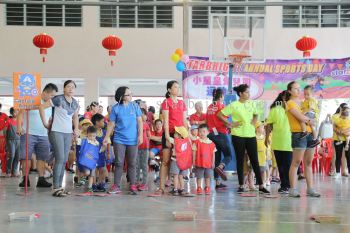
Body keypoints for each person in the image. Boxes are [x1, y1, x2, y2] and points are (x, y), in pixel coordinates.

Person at [218, 84, 269, 194]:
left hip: (251, 135)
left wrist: (253, 123)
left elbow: (256, 115)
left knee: (255, 160)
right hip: (238, 136)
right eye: (246, 92)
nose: (249, 94)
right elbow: (220, 115)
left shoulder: (251, 103)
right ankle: (241, 185)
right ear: (240, 94)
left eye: (249, 92)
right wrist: (230, 124)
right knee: (240, 160)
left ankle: (261, 185)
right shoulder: (234, 105)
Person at [39, 80, 80, 197]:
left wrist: (76, 128)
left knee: (64, 160)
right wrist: (45, 123)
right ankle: (55, 187)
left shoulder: (75, 103)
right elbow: (42, 107)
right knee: (60, 158)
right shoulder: (58, 99)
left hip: (68, 133)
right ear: (64, 89)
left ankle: (59, 187)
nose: (71, 89)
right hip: (56, 131)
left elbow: (75, 116)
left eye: (73, 87)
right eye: (68, 87)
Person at [17, 83, 58, 188]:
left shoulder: (50, 104)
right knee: (26, 157)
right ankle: (25, 179)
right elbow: (20, 114)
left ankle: (41, 179)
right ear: (45, 92)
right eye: (51, 96)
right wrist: (19, 127)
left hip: (44, 135)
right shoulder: (32, 100)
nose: (52, 98)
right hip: (28, 133)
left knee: (42, 158)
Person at [103, 86, 143, 195]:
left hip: (133, 139)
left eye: (131, 94)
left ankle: (133, 185)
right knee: (119, 162)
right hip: (119, 139)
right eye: (128, 94)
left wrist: (141, 135)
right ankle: (116, 185)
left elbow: (140, 122)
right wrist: (106, 137)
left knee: (132, 163)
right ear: (122, 96)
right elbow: (111, 124)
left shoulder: (135, 106)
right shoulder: (116, 108)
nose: (131, 96)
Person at [285, 81, 320, 198]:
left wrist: (313, 118)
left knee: (308, 162)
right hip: (298, 134)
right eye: (295, 89)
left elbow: (313, 114)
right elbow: (301, 117)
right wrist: (311, 120)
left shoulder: (304, 102)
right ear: (289, 91)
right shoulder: (290, 103)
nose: (298, 91)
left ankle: (310, 188)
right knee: (296, 162)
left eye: (299, 88)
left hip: (310, 133)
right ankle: (293, 189)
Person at [155, 81, 187, 195]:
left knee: (179, 162)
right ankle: (161, 188)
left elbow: (184, 121)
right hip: (169, 133)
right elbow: (166, 121)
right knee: (165, 161)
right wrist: (168, 137)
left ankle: (178, 188)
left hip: (180, 135)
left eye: (178, 87)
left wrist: (187, 136)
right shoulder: (166, 102)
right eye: (175, 87)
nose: (177, 89)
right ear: (169, 89)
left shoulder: (182, 103)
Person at [206, 88, 232, 188]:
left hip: (211, 135)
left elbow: (208, 121)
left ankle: (217, 182)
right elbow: (224, 120)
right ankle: (221, 167)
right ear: (221, 96)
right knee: (228, 156)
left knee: (216, 158)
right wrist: (230, 127)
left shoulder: (209, 107)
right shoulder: (221, 106)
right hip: (221, 134)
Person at [192, 124, 216, 195]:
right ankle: (199, 187)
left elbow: (213, 154)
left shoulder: (211, 143)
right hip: (199, 163)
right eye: (200, 131)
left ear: (208, 132)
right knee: (199, 176)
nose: (202, 133)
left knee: (208, 176)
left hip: (208, 164)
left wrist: (213, 163)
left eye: (204, 131)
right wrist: (193, 162)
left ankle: (207, 187)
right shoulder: (196, 142)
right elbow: (194, 153)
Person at [77, 126, 100, 195]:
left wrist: (104, 146)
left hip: (93, 162)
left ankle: (90, 188)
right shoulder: (84, 140)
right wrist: (78, 134)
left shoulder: (97, 143)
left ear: (96, 135)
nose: (92, 137)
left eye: (94, 136)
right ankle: (83, 178)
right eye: (90, 136)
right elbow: (77, 141)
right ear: (87, 134)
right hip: (85, 162)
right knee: (87, 172)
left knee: (91, 175)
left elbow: (98, 151)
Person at [169, 126, 191, 196]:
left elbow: (167, 137)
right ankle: (182, 189)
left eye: (175, 133)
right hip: (184, 162)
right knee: (181, 176)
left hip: (175, 160)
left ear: (180, 135)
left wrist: (166, 130)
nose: (173, 134)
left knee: (175, 176)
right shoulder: (187, 142)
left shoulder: (175, 141)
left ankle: (175, 190)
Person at [92, 113, 110, 192]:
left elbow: (108, 142)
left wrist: (108, 153)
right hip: (93, 154)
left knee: (102, 169)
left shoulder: (105, 132)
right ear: (97, 122)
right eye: (102, 121)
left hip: (102, 154)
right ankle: (93, 184)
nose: (104, 123)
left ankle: (101, 183)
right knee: (94, 170)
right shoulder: (91, 131)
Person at [332, 104, 350, 179]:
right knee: (338, 156)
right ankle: (337, 173)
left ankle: (348, 172)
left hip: (347, 138)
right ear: (341, 109)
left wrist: (343, 131)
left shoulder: (349, 118)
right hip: (337, 138)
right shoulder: (335, 117)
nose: (346, 111)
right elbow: (333, 126)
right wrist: (339, 131)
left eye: (348, 110)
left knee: (348, 156)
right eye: (345, 109)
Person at [136, 108, 151, 191]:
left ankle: (144, 184)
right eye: (140, 114)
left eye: (144, 114)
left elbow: (149, 136)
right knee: (137, 165)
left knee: (144, 165)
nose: (142, 116)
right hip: (137, 147)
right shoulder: (135, 124)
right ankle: (137, 182)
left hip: (145, 148)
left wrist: (146, 141)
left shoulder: (146, 124)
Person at [5, 107, 20, 177]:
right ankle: (8, 171)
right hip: (10, 140)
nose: (16, 113)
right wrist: (6, 141)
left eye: (17, 111)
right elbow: (5, 131)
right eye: (14, 111)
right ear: (11, 113)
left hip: (19, 141)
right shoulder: (8, 121)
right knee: (11, 156)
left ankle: (14, 171)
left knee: (17, 156)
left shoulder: (20, 121)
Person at [256, 121, 268, 187]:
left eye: (263, 127)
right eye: (262, 127)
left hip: (263, 156)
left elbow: (266, 147)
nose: (263, 129)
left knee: (263, 170)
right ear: (257, 128)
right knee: (256, 170)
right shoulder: (254, 137)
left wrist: (266, 155)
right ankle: (258, 182)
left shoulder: (264, 137)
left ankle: (264, 181)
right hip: (256, 156)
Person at [0, 103, 9, 175]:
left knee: (3, 154)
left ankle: (3, 171)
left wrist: (4, 129)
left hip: (2, 136)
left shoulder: (3, 115)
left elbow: (9, 121)